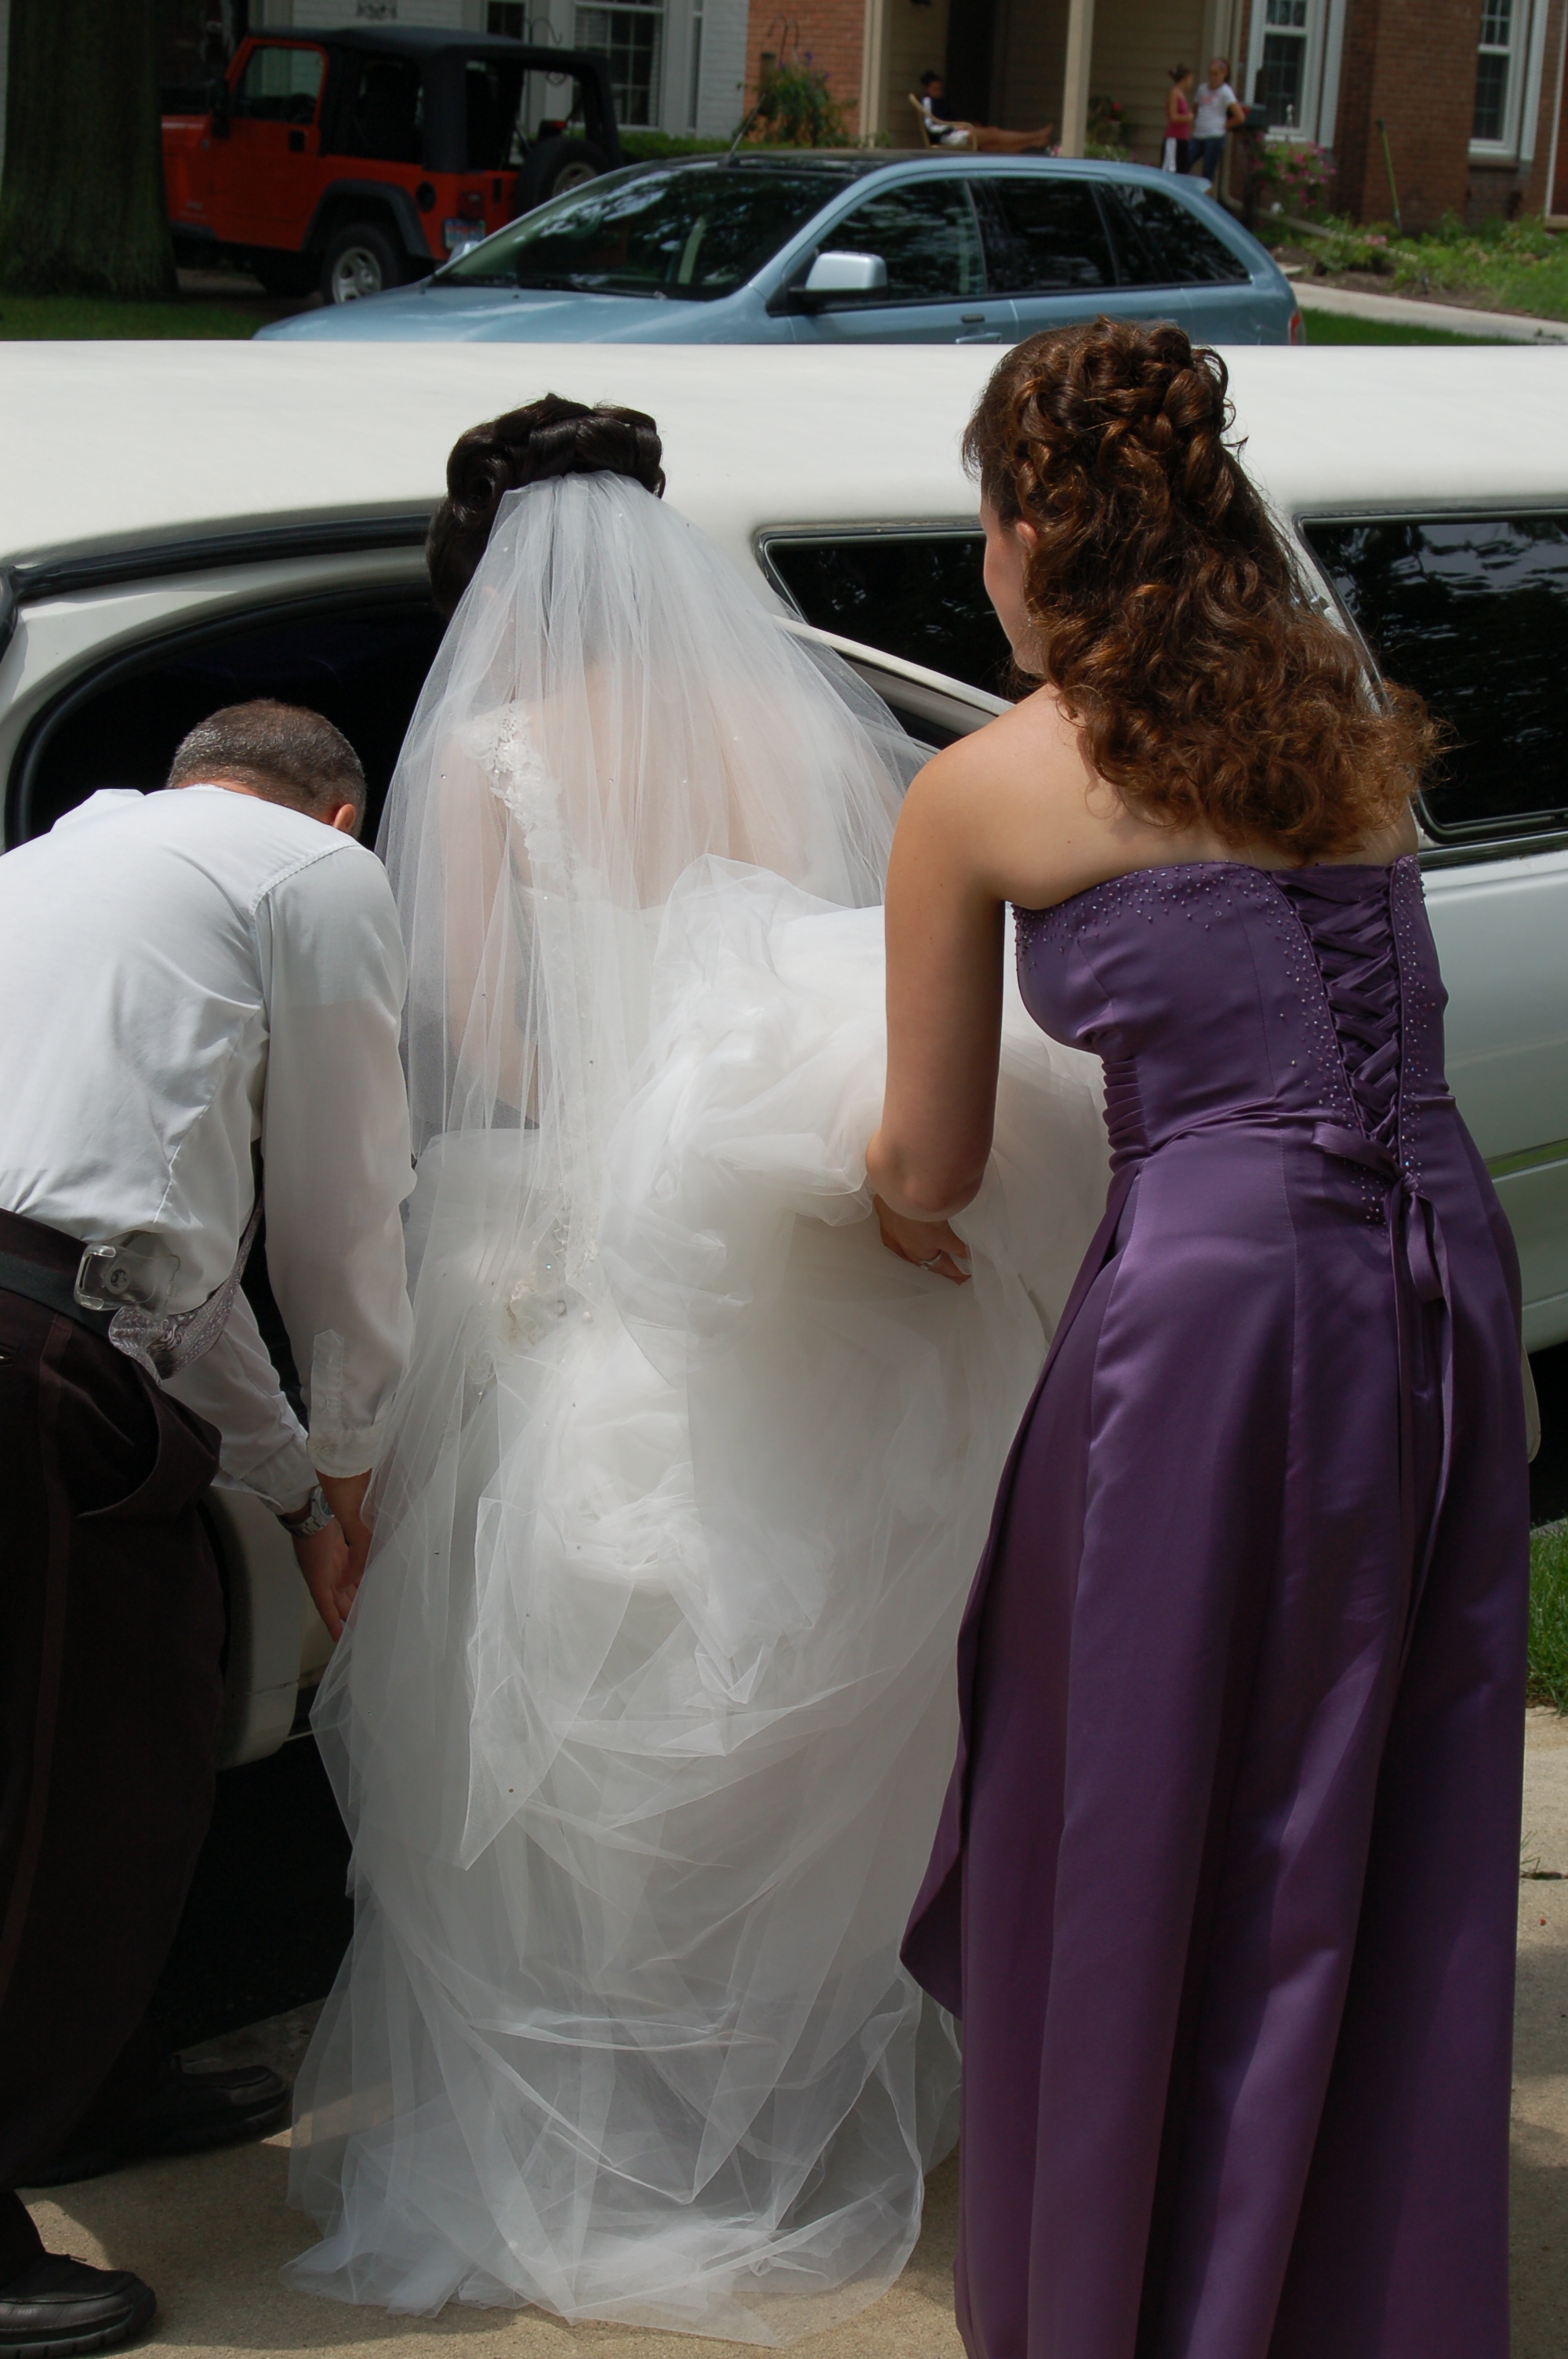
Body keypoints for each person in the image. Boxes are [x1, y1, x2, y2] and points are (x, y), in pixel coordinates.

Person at [281, 398, 1109, 2338]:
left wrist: (616, 1120)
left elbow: (489, 1030)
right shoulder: (799, 717)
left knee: (572, 1704)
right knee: (810, 1683)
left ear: (488, 572)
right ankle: (805, 2082)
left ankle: (624, 2115)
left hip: (610, 1240)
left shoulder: (486, 751)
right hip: (819, 1241)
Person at [885, 322, 1530, 2357]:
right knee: (1380, 1771)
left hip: (1219, 1313)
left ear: (1035, 532)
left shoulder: (983, 788)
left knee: (1131, 1775)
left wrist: (875, 1197)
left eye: (983, 526)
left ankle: (1132, 2297)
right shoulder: (1336, 714)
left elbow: (932, 1156)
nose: (979, 565)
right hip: (1441, 1272)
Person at [0, 702, 414, 2356]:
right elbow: (339, 1208)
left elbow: (174, 1277)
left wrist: (298, 1485)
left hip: (56, 1320)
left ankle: (80, 2086)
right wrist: (362, 1458)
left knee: (116, 1737)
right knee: (59, 1789)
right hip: (28, 1352)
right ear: (341, 812)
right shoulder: (311, 874)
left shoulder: (50, 862)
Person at [919, 71, 1054, 154]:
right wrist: (955, 127)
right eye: (935, 89)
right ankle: (1035, 135)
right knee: (993, 133)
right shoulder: (927, 101)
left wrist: (968, 124)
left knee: (993, 146)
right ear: (927, 88)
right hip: (947, 137)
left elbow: (952, 120)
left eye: (940, 89)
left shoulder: (941, 102)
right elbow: (931, 126)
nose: (938, 92)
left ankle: (1032, 143)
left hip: (957, 132)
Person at [1191, 54, 1244, 181]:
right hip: (1198, 135)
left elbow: (1240, 117)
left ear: (1224, 74)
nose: (1212, 77)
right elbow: (1195, 109)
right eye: (1210, 73)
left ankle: (1207, 193)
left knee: (1208, 172)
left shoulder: (1225, 91)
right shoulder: (1202, 89)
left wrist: (1224, 126)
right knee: (1184, 162)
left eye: (1215, 74)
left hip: (1214, 136)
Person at [1163, 63, 1194, 172]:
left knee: (1182, 171)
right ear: (1186, 78)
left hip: (1183, 139)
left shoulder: (1182, 95)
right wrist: (1188, 118)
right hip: (1174, 139)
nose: (1191, 82)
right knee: (1172, 171)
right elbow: (1173, 117)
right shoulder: (1174, 93)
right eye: (1191, 79)